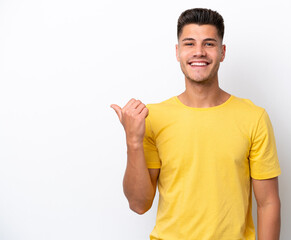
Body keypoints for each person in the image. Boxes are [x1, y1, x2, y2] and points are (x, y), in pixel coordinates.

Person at [111, 8, 281, 240]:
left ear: (222, 52)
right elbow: (139, 204)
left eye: (209, 44)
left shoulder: (253, 117)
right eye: (189, 44)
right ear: (178, 51)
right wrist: (133, 140)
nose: (199, 52)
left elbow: (268, 202)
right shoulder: (152, 117)